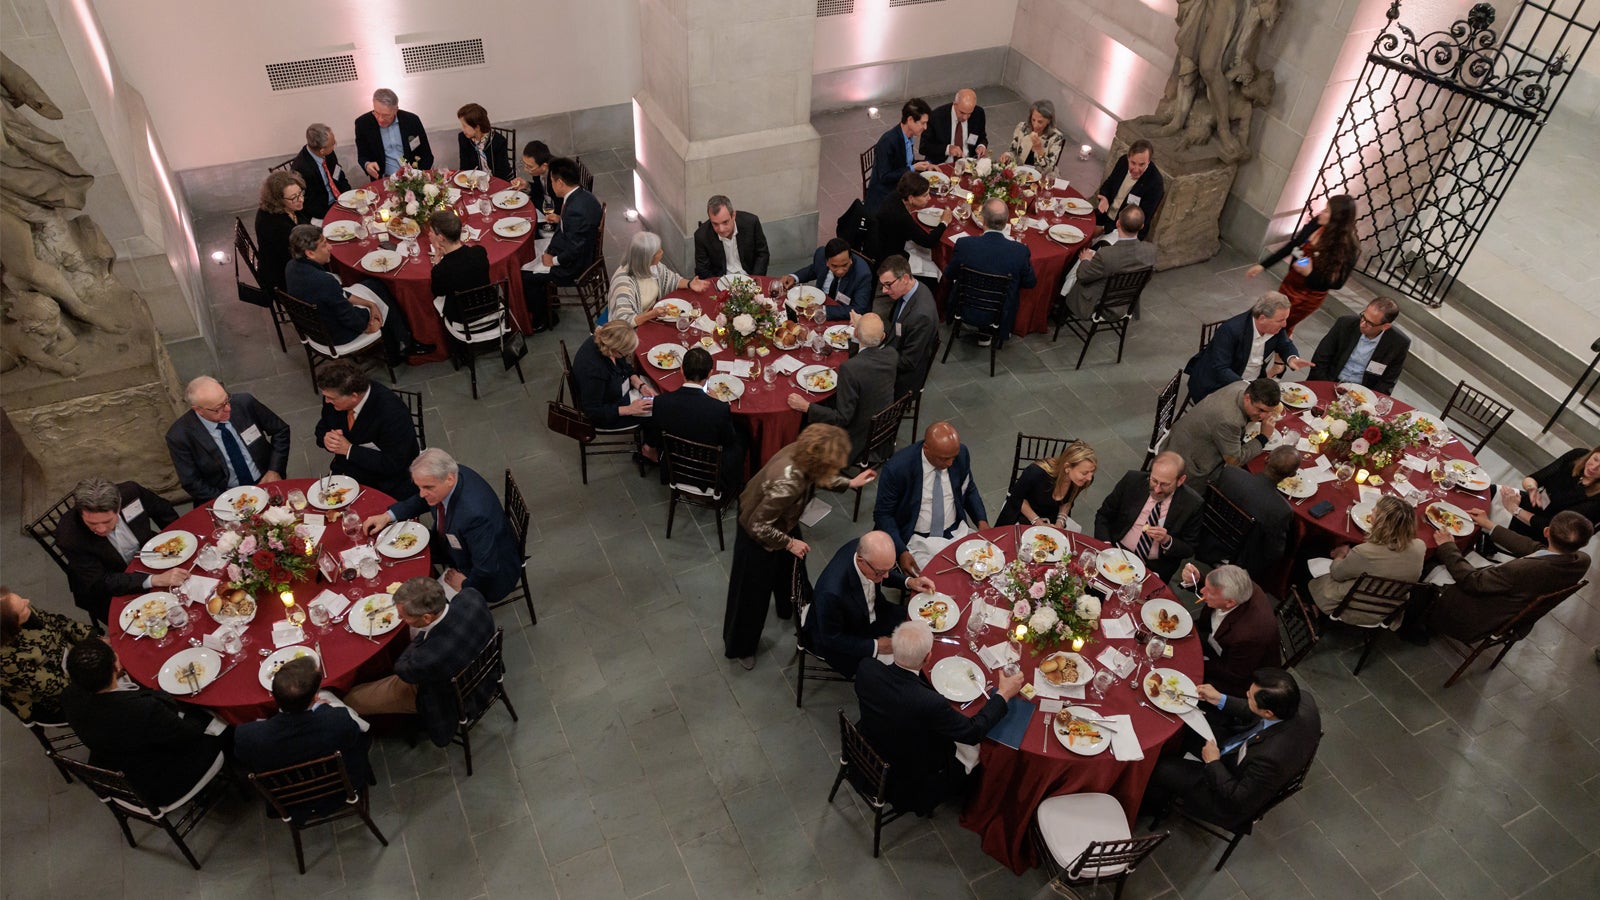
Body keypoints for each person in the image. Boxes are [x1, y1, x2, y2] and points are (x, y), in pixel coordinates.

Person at [723, 424, 876, 669]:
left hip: (782, 520)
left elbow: (818, 475)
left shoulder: (803, 452)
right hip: (757, 531)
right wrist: (789, 542)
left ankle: (790, 608)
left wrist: (848, 483)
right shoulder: (788, 480)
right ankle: (741, 646)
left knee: (791, 572)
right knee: (750, 596)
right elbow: (757, 525)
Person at [854, 620, 1024, 815]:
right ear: (928, 658)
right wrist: (1003, 695)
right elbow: (972, 732)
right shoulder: (930, 702)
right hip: (908, 774)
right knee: (974, 750)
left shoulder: (866, 668)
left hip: (869, 743)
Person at [1143, 669, 1321, 831]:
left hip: (1226, 791)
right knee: (1187, 726)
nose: (1246, 695)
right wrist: (1220, 698)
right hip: (1236, 749)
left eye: (1250, 697)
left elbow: (1237, 798)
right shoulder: (1299, 699)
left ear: (1268, 712)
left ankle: (1154, 807)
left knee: (1161, 768)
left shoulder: (1271, 759)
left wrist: (1213, 763)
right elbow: (1253, 711)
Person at [61, 638, 224, 807]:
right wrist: (202, 710)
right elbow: (187, 736)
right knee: (219, 723)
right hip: (160, 782)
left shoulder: (68, 697)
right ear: (116, 667)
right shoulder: (141, 709)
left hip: (117, 764)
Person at [343, 578, 499, 747]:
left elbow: (401, 667)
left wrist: (421, 636)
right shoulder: (471, 596)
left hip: (448, 698)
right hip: (484, 667)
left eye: (403, 617)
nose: (399, 617)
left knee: (352, 699)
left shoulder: (426, 658)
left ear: (426, 618)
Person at [1408, 509, 1592, 644]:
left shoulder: (1524, 569)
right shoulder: (1581, 560)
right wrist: (1489, 525)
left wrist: (1447, 546)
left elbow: (1473, 582)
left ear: (1546, 532)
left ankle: (1411, 625)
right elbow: (1535, 549)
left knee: (1428, 565)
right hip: (1512, 602)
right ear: (1583, 544)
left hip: (1478, 613)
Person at [362, 450, 521, 605]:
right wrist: (388, 516)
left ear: (449, 479)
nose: (422, 493)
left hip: (487, 575)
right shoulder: (447, 476)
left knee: (424, 605)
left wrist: (464, 584)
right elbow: (421, 500)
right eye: (419, 487)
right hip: (452, 543)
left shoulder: (473, 516)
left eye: (427, 487)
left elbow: (487, 568)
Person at [235, 657, 373, 812]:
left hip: (289, 801)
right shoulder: (337, 719)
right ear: (315, 697)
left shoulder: (247, 736)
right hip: (341, 788)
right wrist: (324, 709)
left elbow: (246, 761)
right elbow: (357, 737)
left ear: (274, 697)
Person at [284, 225, 429, 365]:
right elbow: (349, 317)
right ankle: (397, 351)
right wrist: (368, 325)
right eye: (324, 245)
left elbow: (336, 295)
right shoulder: (324, 281)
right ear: (310, 253)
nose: (330, 247)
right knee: (381, 303)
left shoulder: (291, 266)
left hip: (315, 328)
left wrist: (369, 303)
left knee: (375, 285)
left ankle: (403, 340)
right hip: (338, 334)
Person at [54, 478, 186, 626]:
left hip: (149, 555)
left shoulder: (131, 493)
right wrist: (153, 579)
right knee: (151, 622)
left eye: (107, 521)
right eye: (92, 524)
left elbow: (163, 511)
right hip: (107, 585)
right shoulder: (69, 536)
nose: (101, 529)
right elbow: (101, 581)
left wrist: (181, 538)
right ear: (81, 514)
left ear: (118, 507)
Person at [803, 531, 936, 677]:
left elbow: (884, 572)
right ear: (861, 561)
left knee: (921, 620)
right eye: (881, 572)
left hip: (874, 611)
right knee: (905, 672)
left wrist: (909, 582)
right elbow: (832, 639)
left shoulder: (866, 552)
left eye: (888, 570)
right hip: (847, 635)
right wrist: (877, 646)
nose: (886, 576)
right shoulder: (831, 593)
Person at [873, 422, 989, 575]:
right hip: (917, 540)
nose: (950, 463)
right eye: (944, 459)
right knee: (936, 584)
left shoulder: (961, 454)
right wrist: (901, 551)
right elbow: (883, 514)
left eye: (953, 457)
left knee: (984, 570)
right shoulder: (897, 469)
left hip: (955, 531)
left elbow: (969, 489)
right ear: (926, 449)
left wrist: (982, 521)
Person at [786, 313, 898, 465]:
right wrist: (859, 331)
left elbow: (842, 418)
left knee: (806, 418)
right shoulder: (892, 355)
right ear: (883, 336)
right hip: (881, 430)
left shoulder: (850, 369)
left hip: (856, 440)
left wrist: (806, 407)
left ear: (856, 333)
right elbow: (862, 358)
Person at [166, 375, 291, 503]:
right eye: (218, 408)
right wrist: (229, 501)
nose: (228, 409)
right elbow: (192, 482)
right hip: (225, 495)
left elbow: (280, 431)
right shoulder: (179, 435)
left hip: (265, 481)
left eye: (227, 400)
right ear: (198, 410)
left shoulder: (244, 403)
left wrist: (274, 469)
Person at [1246, 195, 1360, 333]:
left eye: (1327, 211)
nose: (1321, 213)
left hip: (1307, 297)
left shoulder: (1347, 248)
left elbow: (1336, 283)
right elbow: (1295, 244)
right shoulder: (1317, 224)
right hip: (1291, 283)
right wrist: (1263, 265)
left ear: (1337, 219)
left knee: (1280, 324)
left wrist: (1309, 273)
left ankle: (1275, 349)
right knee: (1280, 322)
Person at [313, 361, 420, 502]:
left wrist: (349, 450)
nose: (326, 401)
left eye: (331, 398)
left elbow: (394, 463)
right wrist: (325, 438)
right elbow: (322, 427)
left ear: (354, 396)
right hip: (346, 470)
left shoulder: (393, 414)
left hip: (386, 483)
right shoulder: (333, 399)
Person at [1308, 495, 1424, 623]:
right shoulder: (1420, 546)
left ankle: (1307, 602)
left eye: (1375, 510)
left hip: (1353, 607)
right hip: (1386, 609)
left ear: (1381, 522)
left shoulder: (1364, 552)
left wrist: (1340, 555)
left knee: (1312, 547)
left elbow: (1337, 574)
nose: (1372, 510)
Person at [1093, 451, 1204, 582]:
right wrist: (1107, 548)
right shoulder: (1132, 481)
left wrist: (1167, 540)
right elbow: (1103, 515)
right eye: (1154, 480)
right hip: (1117, 550)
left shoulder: (1192, 504)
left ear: (1180, 480)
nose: (1157, 489)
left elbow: (1189, 548)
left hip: (1152, 567)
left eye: (1164, 484)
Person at [1183, 292, 1310, 405]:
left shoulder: (1275, 327)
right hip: (1218, 385)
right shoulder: (1231, 330)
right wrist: (1250, 389)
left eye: (1286, 319)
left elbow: (1285, 344)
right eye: (1281, 320)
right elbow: (1220, 369)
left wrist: (1292, 358)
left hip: (1254, 381)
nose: (1285, 324)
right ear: (1262, 318)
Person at [1174, 563, 1282, 696]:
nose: (1202, 592)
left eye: (1208, 592)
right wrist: (1196, 580)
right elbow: (1216, 588)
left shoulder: (1249, 634)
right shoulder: (1238, 584)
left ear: (1230, 603)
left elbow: (1233, 673)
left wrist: (1191, 661)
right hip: (1214, 640)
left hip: (1237, 677)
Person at [651, 347, 745, 496]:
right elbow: (728, 441)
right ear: (709, 374)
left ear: (681, 370)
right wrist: (719, 404)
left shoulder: (661, 401)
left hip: (674, 468)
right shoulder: (719, 409)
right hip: (709, 474)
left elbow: (656, 439)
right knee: (742, 437)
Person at [942, 198, 1036, 347]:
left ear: (983, 219)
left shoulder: (965, 244)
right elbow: (1030, 283)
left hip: (965, 305)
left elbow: (949, 273)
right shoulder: (1020, 251)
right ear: (1006, 222)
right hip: (1000, 313)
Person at [1194, 446, 1298, 578]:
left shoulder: (1230, 472)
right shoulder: (1281, 510)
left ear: (1266, 458)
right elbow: (1274, 553)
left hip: (1205, 534)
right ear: (1292, 475)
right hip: (1237, 555)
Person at [523, 157, 601, 331]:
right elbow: (576, 232)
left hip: (575, 265)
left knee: (526, 277)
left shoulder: (575, 210)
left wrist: (554, 260)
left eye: (551, 181)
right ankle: (550, 301)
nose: (550, 185)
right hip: (571, 247)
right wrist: (560, 219)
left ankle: (543, 319)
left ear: (559, 182)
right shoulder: (583, 196)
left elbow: (576, 248)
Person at [2, 587, 93, 724]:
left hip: (71, 660)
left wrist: (92, 636)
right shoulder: (8, 662)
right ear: (11, 625)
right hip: (52, 700)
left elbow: (57, 621)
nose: (27, 601)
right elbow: (55, 687)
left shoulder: (26, 613)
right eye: (22, 608)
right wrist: (98, 675)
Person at [1166, 377, 1283, 484]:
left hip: (1182, 437)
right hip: (1187, 464)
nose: (1263, 417)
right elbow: (1235, 461)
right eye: (1260, 410)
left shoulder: (1242, 385)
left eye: (1269, 412)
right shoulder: (1230, 421)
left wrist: (1255, 415)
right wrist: (1263, 437)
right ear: (1247, 398)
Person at [1062, 205, 1157, 320]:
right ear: (1142, 226)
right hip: (1126, 303)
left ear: (1117, 223)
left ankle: (1059, 305)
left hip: (1099, 304)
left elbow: (1083, 276)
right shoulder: (1151, 250)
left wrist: (1085, 260)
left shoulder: (1106, 254)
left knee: (1075, 268)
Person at [1307, 297, 1409, 396]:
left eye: (1369, 323)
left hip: (1362, 394)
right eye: (1363, 316)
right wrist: (1324, 387)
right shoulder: (1345, 324)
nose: (1362, 324)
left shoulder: (1399, 343)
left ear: (1385, 326)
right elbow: (1320, 359)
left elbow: (1388, 381)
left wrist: (1367, 400)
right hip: (1329, 381)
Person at [865, 171, 951, 287]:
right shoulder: (901, 217)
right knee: (935, 269)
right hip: (890, 256)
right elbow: (928, 241)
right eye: (925, 195)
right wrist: (944, 222)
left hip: (886, 241)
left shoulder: (895, 196)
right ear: (911, 198)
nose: (929, 198)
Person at [606, 232, 707, 326]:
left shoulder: (653, 266)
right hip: (630, 330)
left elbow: (672, 279)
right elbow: (624, 321)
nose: (662, 252)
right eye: (658, 251)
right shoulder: (624, 284)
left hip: (650, 317)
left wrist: (690, 284)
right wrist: (651, 314)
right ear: (647, 258)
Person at [572, 320, 656, 434]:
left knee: (655, 396)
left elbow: (625, 367)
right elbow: (592, 412)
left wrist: (641, 386)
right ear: (614, 349)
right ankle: (649, 449)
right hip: (608, 414)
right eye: (625, 353)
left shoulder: (606, 342)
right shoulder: (596, 372)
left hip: (617, 393)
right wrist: (630, 409)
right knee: (657, 412)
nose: (627, 356)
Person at [1499, 445, 1600, 539]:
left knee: (1492, 514)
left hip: (1540, 530)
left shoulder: (1597, 499)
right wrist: (1532, 488)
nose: (1594, 467)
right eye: (1595, 459)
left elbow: (1552, 527)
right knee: (1492, 491)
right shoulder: (1577, 456)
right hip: (1533, 505)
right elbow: (1533, 478)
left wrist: (1515, 509)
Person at [878, 255, 940, 400]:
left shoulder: (921, 316)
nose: (884, 291)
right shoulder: (914, 289)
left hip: (904, 379)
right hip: (894, 349)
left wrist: (878, 357)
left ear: (905, 278)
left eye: (888, 284)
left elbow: (908, 362)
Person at [995, 440, 1097, 529]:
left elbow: (1068, 501)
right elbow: (1017, 498)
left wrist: (1060, 521)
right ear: (1067, 467)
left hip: (1051, 519)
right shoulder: (1036, 472)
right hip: (1023, 516)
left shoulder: (1083, 480)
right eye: (1084, 473)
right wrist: (1037, 521)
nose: (1089, 478)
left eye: (1092, 472)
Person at [865, 98, 935, 214]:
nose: (925, 127)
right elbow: (885, 177)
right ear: (910, 120)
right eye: (923, 123)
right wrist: (913, 168)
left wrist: (926, 165)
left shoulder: (908, 137)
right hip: (884, 198)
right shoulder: (888, 142)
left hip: (899, 189)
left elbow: (905, 163)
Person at [780, 238, 872, 322]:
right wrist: (794, 277)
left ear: (851, 260)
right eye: (834, 266)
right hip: (816, 303)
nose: (840, 271)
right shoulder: (820, 255)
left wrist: (823, 310)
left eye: (844, 265)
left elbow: (859, 309)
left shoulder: (862, 274)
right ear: (827, 262)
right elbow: (813, 270)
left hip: (842, 315)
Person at [354, 88, 433, 180]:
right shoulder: (363, 124)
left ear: (395, 110)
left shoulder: (412, 121)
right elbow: (362, 155)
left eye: (386, 115)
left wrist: (418, 177)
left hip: (413, 177)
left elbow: (426, 154)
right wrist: (367, 165)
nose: (380, 119)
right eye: (376, 113)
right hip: (384, 179)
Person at [426, 209, 490, 323]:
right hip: (490, 309)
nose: (429, 234)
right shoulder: (479, 252)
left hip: (462, 320)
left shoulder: (440, 270)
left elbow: (438, 293)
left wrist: (437, 261)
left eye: (431, 231)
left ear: (441, 238)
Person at [253, 170, 309, 299]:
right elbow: (301, 255)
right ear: (277, 200)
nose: (300, 199)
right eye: (293, 197)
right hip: (284, 275)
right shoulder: (276, 225)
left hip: (292, 257)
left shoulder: (291, 207)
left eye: (300, 193)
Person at [1093, 139, 1164, 239]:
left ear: (1149, 161)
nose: (1136, 169)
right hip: (1105, 215)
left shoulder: (1155, 183)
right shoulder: (1123, 161)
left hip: (1125, 230)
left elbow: (1138, 220)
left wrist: (1104, 229)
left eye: (1141, 164)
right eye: (1133, 163)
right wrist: (1104, 198)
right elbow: (1109, 183)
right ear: (1128, 158)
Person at [693, 195, 770, 279]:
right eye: (715, 224)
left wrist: (754, 280)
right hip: (720, 282)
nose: (721, 229)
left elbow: (762, 254)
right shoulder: (701, 236)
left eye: (725, 222)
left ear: (733, 216)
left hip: (750, 277)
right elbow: (702, 270)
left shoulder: (751, 223)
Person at [290, 123, 351, 221]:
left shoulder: (328, 153)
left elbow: (338, 175)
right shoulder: (301, 169)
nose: (335, 144)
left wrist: (349, 196)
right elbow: (308, 203)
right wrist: (334, 213)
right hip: (322, 211)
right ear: (322, 151)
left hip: (339, 201)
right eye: (333, 144)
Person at [920, 89, 988, 165]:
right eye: (962, 112)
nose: (965, 117)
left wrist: (981, 146)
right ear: (955, 104)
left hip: (968, 163)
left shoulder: (978, 113)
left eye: (969, 113)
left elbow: (982, 137)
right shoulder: (936, 117)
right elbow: (923, 147)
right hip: (942, 163)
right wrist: (948, 149)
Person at [1000, 99, 1067, 174]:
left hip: (1042, 176)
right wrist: (1007, 155)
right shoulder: (1022, 128)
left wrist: (1039, 150)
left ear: (1048, 121)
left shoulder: (1055, 137)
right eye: (1033, 120)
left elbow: (1049, 169)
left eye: (1040, 122)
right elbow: (1013, 151)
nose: (1035, 125)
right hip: (1020, 172)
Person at [455, 103, 512, 181]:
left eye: (465, 126)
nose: (463, 129)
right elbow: (464, 168)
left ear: (477, 127)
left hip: (496, 182)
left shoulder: (498, 141)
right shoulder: (463, 138)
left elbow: (502, 173)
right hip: (474, 182)